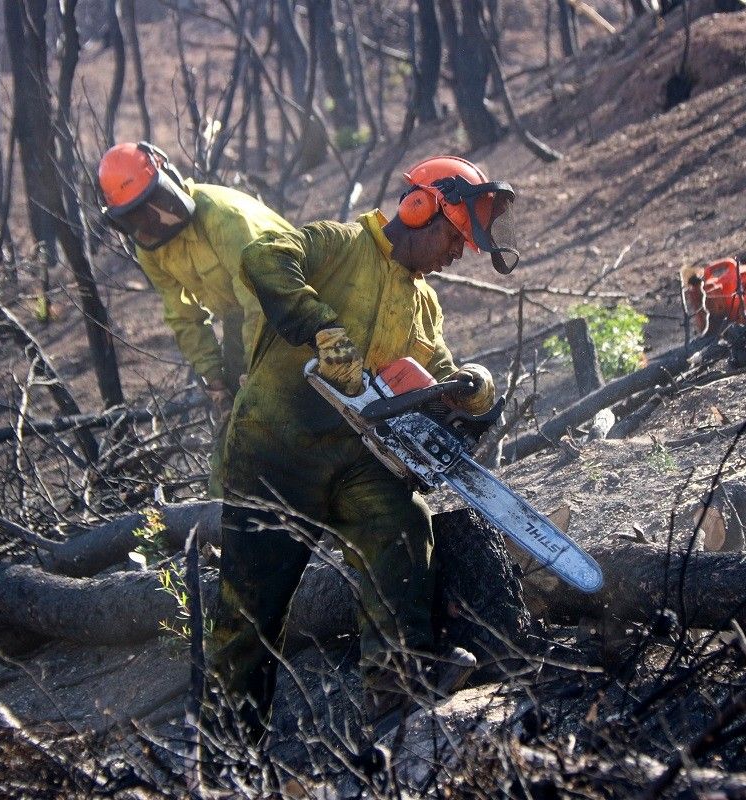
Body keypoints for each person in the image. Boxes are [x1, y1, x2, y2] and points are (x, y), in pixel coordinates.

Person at [204, 155, 518, 755]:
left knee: (401, 523)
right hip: (277, 449)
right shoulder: (338, 244)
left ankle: (394, 687)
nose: (458, 254)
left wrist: (469, 386)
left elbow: (434, 374)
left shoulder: (424, 304)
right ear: (419, 208)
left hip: (357, 457)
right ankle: (227, 752)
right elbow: (262, 257)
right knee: (250, 610)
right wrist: (319, 325)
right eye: (455, 238)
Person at [97, 142, 298, 495]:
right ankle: (225, 524)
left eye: (155, 203)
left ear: (168, 177)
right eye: (138, 215)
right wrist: (215, 380)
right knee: (232, 441)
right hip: (244, 318)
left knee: (278, 411)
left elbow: (260, 297)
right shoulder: (152, 249)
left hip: (293, 298)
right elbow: (183, 316)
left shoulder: (223, 216)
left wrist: (254, 371)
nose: (153, 220)